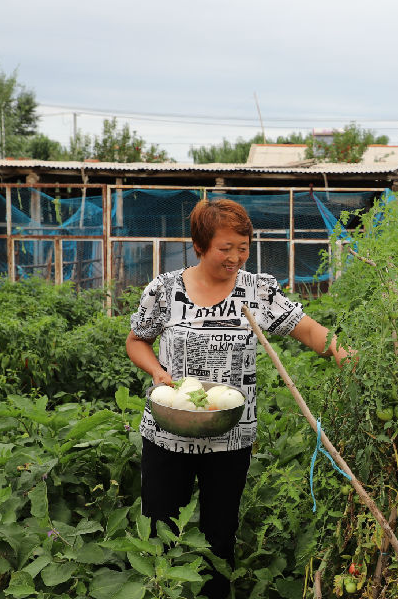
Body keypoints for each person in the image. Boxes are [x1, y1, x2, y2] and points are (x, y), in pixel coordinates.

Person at [126, 198, 349, 599]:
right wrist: (157, 372)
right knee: (158, 531)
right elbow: (136, 341)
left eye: (243, 247)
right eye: (225, 248)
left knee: (219, 537)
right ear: (199, 245)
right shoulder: (165, 289)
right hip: (168, 433)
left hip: (231, 437)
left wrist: (346, 357)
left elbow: (311, 332)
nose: (235, 257)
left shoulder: (256, 290)